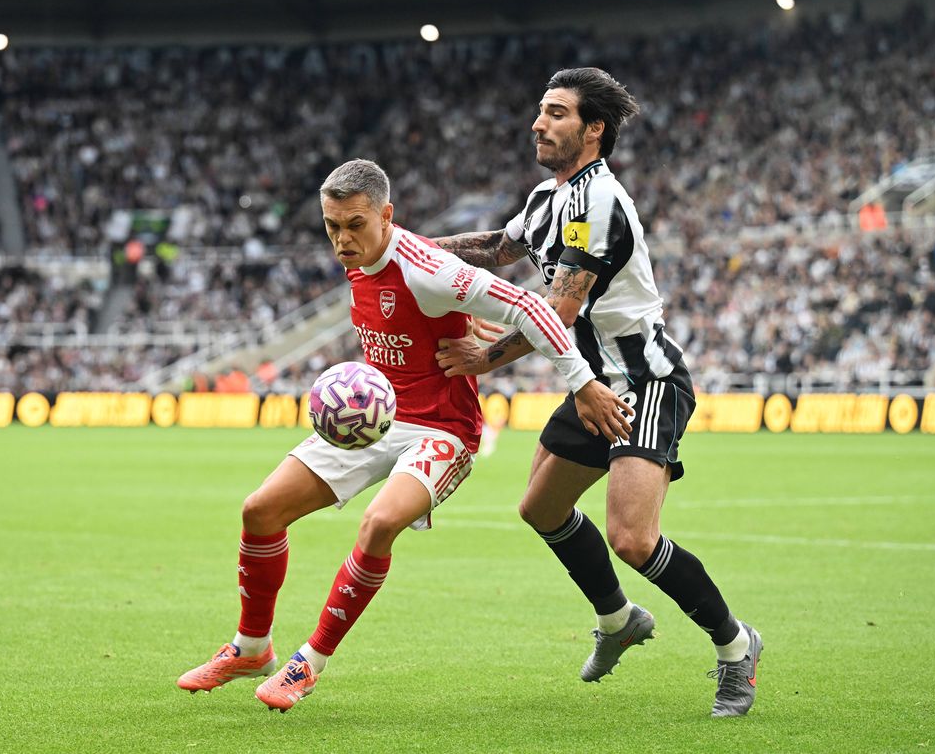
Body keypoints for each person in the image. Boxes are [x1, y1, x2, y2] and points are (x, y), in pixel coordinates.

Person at [177, 158, 631, 712]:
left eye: (355, 225)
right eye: (332, 226)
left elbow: (532, 305)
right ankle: (252, 648)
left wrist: (581, 383)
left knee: (379, 523)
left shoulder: (427, 270)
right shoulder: (359, 257)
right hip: (376, 418)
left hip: (442, 428)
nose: (342, 240)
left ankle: (310, 661)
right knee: (260, 511)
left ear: (386, 216)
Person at [431, 67, 762, 717]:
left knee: (632, 538)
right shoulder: (545, 198)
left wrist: (483, 359)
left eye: (556, 113)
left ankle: (736, 646)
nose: (538, 123)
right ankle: (618, 619)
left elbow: (559, 309)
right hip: (591, 382)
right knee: (541, 508)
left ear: (593, 129)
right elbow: (496, 249)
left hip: (644, 380)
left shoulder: (599, 202)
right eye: (540, 110)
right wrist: (401, 248)